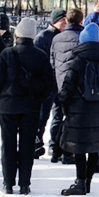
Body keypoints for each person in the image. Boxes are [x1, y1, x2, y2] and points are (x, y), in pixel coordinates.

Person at [0, 16, 56, 194]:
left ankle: (7, 183)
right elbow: (49, 84)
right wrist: (38, 99)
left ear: (17, 34)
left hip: (7, 105)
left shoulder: (7, 53)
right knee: (27, 145)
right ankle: (25, 184)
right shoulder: (40, 56)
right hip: (31, 106)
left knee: (8, 144)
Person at [58, 22, 99, 196]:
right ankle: (88, 182)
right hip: (97, 109)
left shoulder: (78, 60)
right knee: (93, 145)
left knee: (79, 147)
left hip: (78, 108)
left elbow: (68, 86)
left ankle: (80, 182)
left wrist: (63, 104)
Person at [48, 7, 85, 164]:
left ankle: (55, 150)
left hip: (60, 82)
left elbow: (52, 61)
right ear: (81, 20)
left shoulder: (57, 39)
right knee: (74, 119)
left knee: (57, 115)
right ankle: (68, 152)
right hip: (77, 85)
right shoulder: (83, 38)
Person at [34, 9, 66, 159]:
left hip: (60, 82)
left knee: (58, 115)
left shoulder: (65, 36)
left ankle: (54, 145)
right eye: (62, 20)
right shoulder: (43, 37)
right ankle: (37, 143)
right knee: (42, 116)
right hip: (46, 82)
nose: (65, 23)